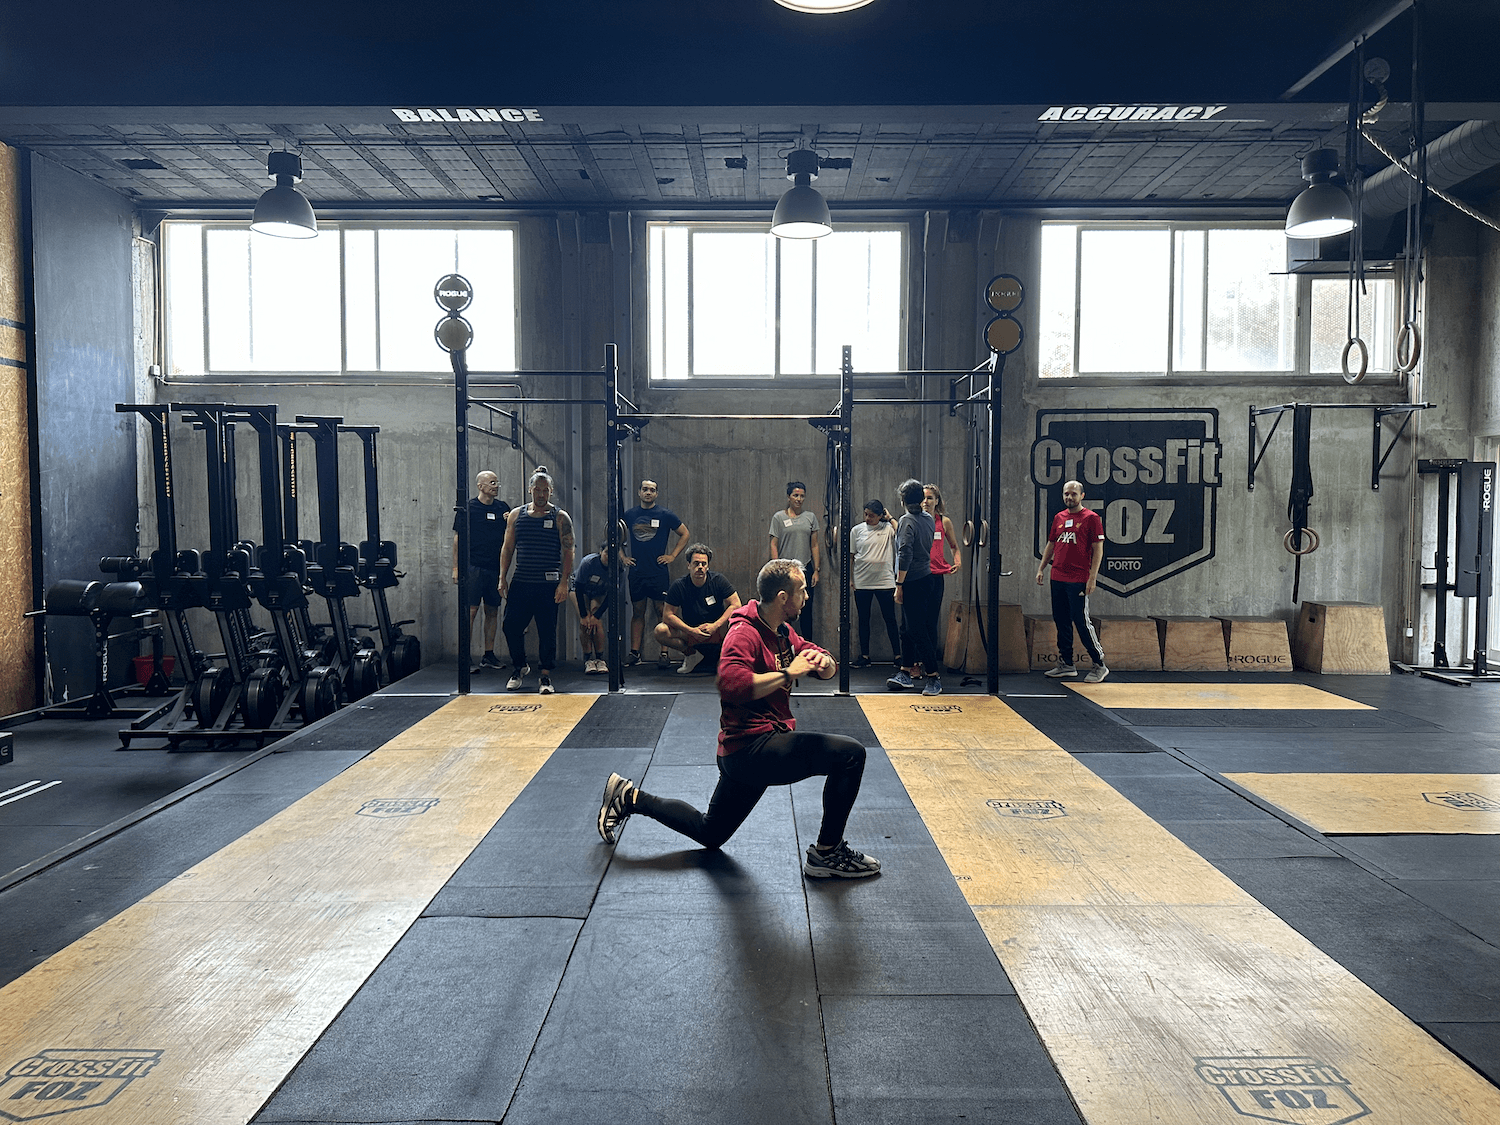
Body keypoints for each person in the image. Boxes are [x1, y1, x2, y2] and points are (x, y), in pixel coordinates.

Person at [596, 559, 880, 879]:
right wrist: (787, 673)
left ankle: (629, 796)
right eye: (802, 591)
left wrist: (824, 662)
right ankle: (828, 852)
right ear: (783, 597)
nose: (806, 596)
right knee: (850, 755)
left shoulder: (782, 631)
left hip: (747, 752)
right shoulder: (744, 633)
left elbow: (821, 661)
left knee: (710, 833)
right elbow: (732, 684)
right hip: (751, 747)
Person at [499, 466, 575, 694]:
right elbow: (507, 548)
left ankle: (545, 676)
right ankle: (520, 667)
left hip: (548, 584)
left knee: (547, 631)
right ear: (530, 490)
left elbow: (569, 551)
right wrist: (502, 577)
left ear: (551, 491)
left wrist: (564, 582)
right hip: (522, 581)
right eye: (537, 490)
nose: (541, 494)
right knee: (510, 626)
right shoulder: (516, 515)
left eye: (545, 490)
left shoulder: (560, 517)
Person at [1035, 478, 1108, 683]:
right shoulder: (1059, 517)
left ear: (1082, 496)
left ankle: (1099, 664)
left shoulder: (1091, 518)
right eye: (1066, 493)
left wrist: (1092, 578)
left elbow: (1098, 550)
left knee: (1081, 621)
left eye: (1074, 493)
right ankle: (1066, 664)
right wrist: (1041, 568)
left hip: (1078, 579)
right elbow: (1051, 544)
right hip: (1057, 577)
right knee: (1062, 621)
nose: (1069, 497)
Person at [622, 479, 690, 669]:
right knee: (638, 612)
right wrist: (622, 557)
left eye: (652, 490)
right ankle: (635, 653)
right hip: (637, 573)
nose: (648, 492)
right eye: (645, 489)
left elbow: (685, 533)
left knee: (662, 612)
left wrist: (672, 556)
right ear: (639, 492)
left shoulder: (665, 514)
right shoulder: (630, 515)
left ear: (656, 494)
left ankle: (664, 653)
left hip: (658, 573)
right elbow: (613, 534)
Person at [451, 469, 510, 669]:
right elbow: (457, 540)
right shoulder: (468, 509)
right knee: (471, 611)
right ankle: (465, 657)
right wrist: (456, 568)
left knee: (492, 610)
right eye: (492, 482)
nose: (496, 486)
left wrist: (509, 519)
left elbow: (511, 534)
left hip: (494, 568)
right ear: (480, 486)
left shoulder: (503, 508)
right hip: (473, 568)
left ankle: (489, 655)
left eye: (497, 482)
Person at [889, 478, 942, 696]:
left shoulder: (906, 521)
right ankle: (905, 672)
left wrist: (899, 584)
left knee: (917, 630)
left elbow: (905, 554)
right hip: (925, 579)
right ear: (920, 499)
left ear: (902, 500)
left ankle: (933, 676)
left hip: (913, 581)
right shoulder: (928, 518)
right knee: (906, 628)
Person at [656, 542, 741, 675]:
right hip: (690, 633)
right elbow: (667, 615)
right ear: (688, 565)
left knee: (739, 625)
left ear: (708, 566)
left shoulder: (718, 580)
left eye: (703, 564)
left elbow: (736, 604)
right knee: (660, 630)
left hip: (718, 631)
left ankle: (726, 659)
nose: (700, 567)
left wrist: (715, 625)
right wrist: (691, 631)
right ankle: (691, 655)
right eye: (696, 563)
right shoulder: (679, 585)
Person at [849, 499, 900, 667]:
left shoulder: (888, 528)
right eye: (866, 514)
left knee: (890, 619)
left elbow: (900, 531)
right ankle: (865, 656)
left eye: (871, 515)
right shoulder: (856, 530)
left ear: (880, 516)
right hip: (862, 581)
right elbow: (851, 557)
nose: (867, 518)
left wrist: (889, 517)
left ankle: (898, 656)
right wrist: (851, 579)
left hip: (885, 582)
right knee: (863, 619)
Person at [768, 480, 822, 640]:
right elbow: (773, 544)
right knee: (783, 607)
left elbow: (814, 545)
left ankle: (807, 644)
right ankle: (784, 644)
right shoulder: (778, 517)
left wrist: (816, 570)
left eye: (802, 496)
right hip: (786, 571)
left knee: (806, 608)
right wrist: (776, 568)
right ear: (789, 497)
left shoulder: (810, 517)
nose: (799, 499)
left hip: (805, 569)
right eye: (795, 495)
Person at [571, 542, 613, 675]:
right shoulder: (588, 562)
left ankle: (600, 659)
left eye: (612, 554)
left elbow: (612, 595)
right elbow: (578, 588)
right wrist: (584, 615)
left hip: (598, 591)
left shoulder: (617, 567)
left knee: (596, 622)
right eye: (606, 553)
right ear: (601, 551)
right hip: (579, 589)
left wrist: (596, 615)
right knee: (585, 622)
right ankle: (588, 659)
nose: (608, 557)